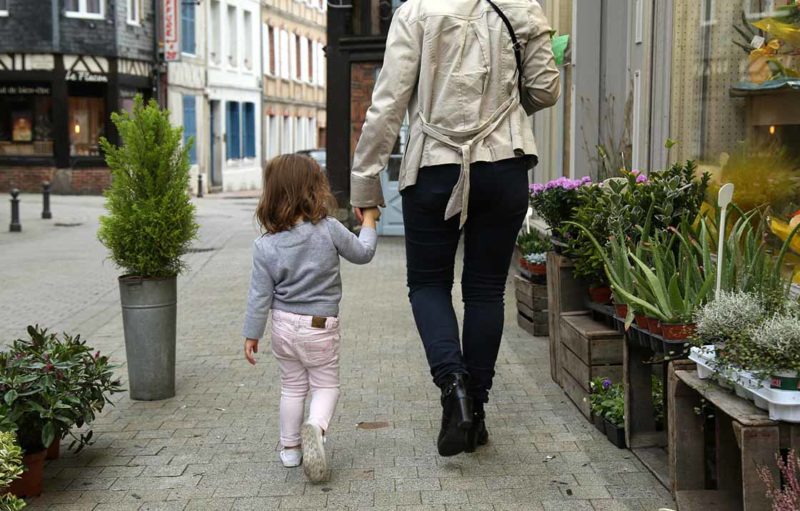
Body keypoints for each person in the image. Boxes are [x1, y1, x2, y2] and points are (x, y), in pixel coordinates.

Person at [350, 0, 560, 456]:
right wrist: (504, 107)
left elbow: (387, 105)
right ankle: (476, 412)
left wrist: (365, 182)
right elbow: (545, 91)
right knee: (485, 290)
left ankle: (454, 387)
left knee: (428, 285)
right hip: (503, 165)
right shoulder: (522, 7)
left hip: (433, 166)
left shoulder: (414, 12)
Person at [242, 154, 380, 482]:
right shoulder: (329, 229)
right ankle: (316, 428)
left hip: (283, 326)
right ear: (315, 188)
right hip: (319, 326)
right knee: (325, 385)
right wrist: (369, 219)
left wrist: (251, 334)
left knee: (291, 387)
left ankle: (290, 450)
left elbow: (259, 295)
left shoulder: (265, 245)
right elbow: (363, 253)